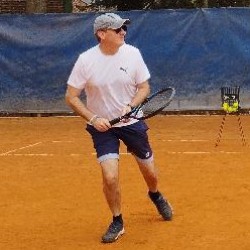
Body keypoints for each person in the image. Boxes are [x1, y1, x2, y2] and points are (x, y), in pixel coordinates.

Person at [65, 12, 173, 244]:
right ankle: (117, 220)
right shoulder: (86, 61)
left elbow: (144, 87)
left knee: (150, 173)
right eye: (117, 29)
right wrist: (93, 119)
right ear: (102, 34)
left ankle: (155, 194)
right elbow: (71, 97)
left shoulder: (133, 54)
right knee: (110, 176)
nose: (123, 32)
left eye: (124, 28)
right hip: (102, 128)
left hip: (132, 123)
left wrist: (131, 105)